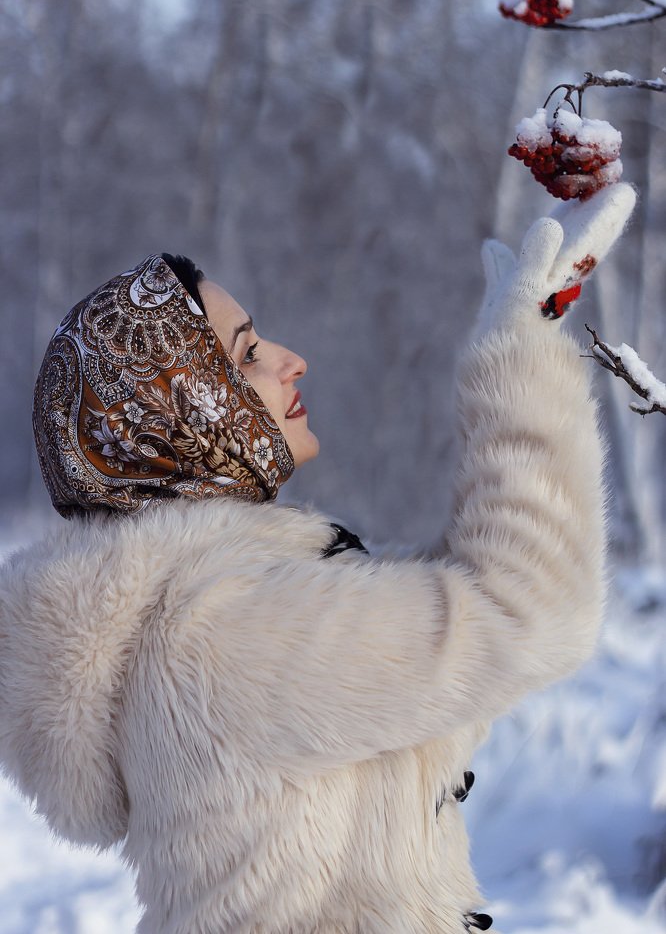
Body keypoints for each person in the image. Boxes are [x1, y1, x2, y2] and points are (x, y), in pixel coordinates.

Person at [0, 184, 635, 933]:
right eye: (247, 354)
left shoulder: (209, 612)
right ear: (180, 409)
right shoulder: (223, 633)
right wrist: (517, 355)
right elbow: (529, 609)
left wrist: (530, 328)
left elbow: (448, 651)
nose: (292, 361)